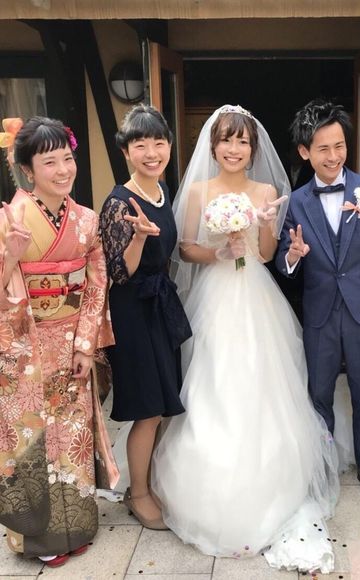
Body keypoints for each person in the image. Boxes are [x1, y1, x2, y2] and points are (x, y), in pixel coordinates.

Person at [152, 104, 339, 573]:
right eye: (226, 140)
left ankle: (270, 478)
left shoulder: (266, 191)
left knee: (260, 379)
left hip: (256, 293)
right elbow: (185, 249)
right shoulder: (198, 190)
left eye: (243, 141)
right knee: (212, 378)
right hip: (215, 293)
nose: (234, 149)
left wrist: (265, 227)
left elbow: (269, 253)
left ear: (253, 149)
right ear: (213, 146)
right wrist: (219, 252)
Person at [275, 99, 360, 507]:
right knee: (319, 395)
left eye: (339, 146)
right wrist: (293, 255)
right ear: (305, 152)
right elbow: (283, 262)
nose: (333, 156)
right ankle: (322, 465)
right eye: (323, 149)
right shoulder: (296, 201)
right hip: (320, 314)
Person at [0, 116, 117, 566]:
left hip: (71, 345)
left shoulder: (86, 220)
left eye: (67, 158)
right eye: (49, 162)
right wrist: (10, 258)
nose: (63, 169)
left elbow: (96, 282)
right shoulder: (10, 220)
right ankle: (36, 539)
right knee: (32, 440)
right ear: (27, 170)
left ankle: (77, 526)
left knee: (71, 438)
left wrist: (86, 344)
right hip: (24, 350)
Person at [99, 105, 191, 530]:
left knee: (165, 402)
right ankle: (137, 494)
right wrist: (137, 237)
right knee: (149, 408)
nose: (151, 152)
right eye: (140, 145)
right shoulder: (118, 203)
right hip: (132, 312)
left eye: (158, 142)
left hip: (158, 305)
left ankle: (148, 481)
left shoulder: (162, 191)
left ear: (169, 146)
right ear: (126, 152)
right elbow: (119, 273)